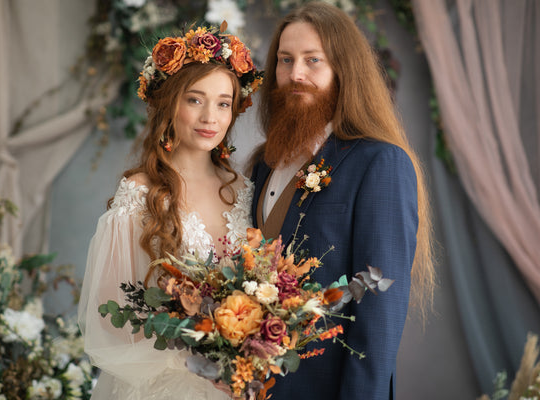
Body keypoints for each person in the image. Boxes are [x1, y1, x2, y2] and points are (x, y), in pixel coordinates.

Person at [249, 2, 436, 399]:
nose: (295, 74)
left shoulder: (380, 162)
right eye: (285, 60)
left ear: (343, 70)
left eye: (312, 60)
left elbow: (378, 312)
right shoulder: (263, 164)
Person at [78, 25, 262, 400]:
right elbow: (110, 321)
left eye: (223, 103)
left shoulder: (245, 191)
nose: (210, 116)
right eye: (195, 100)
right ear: (169, 103)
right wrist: (198, 358)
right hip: (165, 387)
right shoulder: (139, 194)